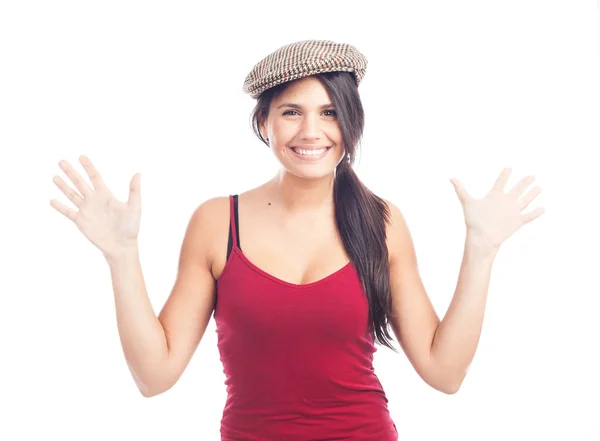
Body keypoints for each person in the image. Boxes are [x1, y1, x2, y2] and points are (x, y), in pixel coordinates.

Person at [50, 39, 545, 440]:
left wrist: (482, 250)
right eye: (291, 112)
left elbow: (445, 373)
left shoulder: (381, 222)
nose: (311, 131)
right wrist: (120, 256)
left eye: (330, 113)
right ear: (263, 122)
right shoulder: (217, 222)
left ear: (351, 123)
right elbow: (154, 378)